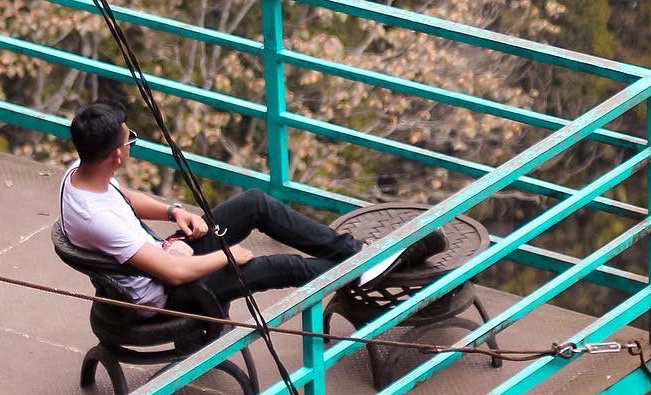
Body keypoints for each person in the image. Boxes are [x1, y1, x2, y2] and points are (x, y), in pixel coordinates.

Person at [58, 100, 435, 311]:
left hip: (166, 255)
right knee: (279, 265)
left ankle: (357, 256)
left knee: (255, 204)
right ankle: (363, 270)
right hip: (172, 288)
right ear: (116, 155)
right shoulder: (99, 220)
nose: (130, 146)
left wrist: (174, 211)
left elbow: (125, 197)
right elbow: (172, 275)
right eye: (129, 142)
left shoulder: (82, 170)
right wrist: (228, 256)